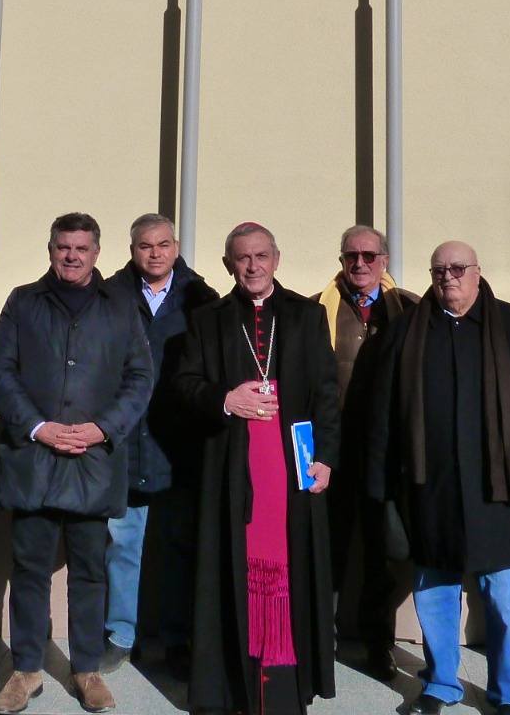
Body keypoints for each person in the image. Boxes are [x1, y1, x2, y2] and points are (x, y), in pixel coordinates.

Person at [367, 241, 510, 715]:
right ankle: (440, 683)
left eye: (457, 268)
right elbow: (382, 414)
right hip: (429, 485)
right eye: (439, 270)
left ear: (477, 272)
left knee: (503, 595)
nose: (448, 277)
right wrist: (380, 483)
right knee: (434, 588)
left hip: (497, 487)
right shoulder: (407, 331)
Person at [0, 213, 154, 715]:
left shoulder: (120, 305)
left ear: (97, 252)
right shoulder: (24, 301)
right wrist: (37, 426)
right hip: (34, 457)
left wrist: (103, 427)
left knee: (90, 571)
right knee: (29, 569)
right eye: (63, 247)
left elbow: (140, 377)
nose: (72, 256)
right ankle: (26, 669)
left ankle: (86, 669)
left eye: (81, 248)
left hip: (93, 460)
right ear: (51, 249)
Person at [172, 221, 340, 715]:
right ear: (229, 265)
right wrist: (225, 399)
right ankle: (233, 682)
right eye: (243, 258)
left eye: (261, 256)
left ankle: (288, 683)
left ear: (276, 259)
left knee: (292, 563)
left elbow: (327, 393)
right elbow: (184, 384)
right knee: (236, 565)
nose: (253, 266)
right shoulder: (208, 319)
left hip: (292, 465)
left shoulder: (307, 315)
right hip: (233, 467)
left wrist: (326, 457)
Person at [99, 214, 218, 676]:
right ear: (132, 250)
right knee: (123, 544)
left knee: (178, 546)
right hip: (125, 442)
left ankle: (176, 637)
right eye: (145, 245)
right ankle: (121, 634)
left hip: (178, 446)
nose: (155, 253)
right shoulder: (110, 295)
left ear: (176, 246)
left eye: (163, 244)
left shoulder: (200, 298)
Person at [310, 224, 413, 679]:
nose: (360, 263)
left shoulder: (409, 308)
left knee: (380, 553)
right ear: (341, 260)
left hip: (383, 454)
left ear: (384, 261)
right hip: (331, 451)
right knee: (328, 549)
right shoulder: (317, 309)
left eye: (369, 255)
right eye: (351, 255)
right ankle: (321, 641)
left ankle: (378, 645)